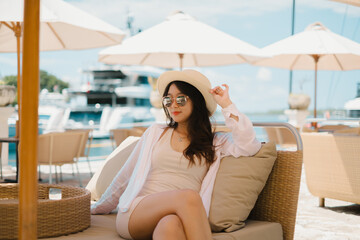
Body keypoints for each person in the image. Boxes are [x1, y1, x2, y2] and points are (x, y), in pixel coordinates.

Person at [91, 69, 261, 240]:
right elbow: (125, 176)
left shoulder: (216, 142)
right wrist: (98, 207)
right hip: (138, 212)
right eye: (168, 99)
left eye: (181, 99)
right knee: (188, 196)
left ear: (196, 101)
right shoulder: (156, 132)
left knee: (170, 225)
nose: (173, 105)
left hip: (178, 216)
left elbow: (248, 146)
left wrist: (226, 104)